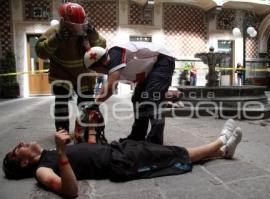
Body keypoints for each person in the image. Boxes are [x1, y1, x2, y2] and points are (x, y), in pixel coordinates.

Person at [3, 119, 242, 198]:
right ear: (24, 162)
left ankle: (222, 153)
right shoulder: (41, 170)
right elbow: (70, 191)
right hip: (120, 162)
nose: (21, 143)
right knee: (173, 154)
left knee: (166, 154)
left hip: (118, 148)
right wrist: (63, 152)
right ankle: (220, 141)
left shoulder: (49, 154)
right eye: (17, 149)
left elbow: (86, 156)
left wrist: (90, 131)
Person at [84, 42, 176, 144]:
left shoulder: (114, 54)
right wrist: (97, 102)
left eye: (96, 69)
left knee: (153, 100)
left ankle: (155, 141)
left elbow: (110, 86)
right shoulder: (113, 62)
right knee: (138, 99)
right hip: (150, 68)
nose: (97, 72)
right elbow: (111, 87)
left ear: (100, 62)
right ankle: (137, 136)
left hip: (162, 60)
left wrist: (95, 103)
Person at [35, 2, 106, 135]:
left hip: (84, 75)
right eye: (74, 25)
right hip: (61, 74)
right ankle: (63, 134)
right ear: (65, 20)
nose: (77, 28)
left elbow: (101, 46)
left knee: (87, 105)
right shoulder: (55, 31)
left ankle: (88, 132)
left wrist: (93, 34)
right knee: (61, 106)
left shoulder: (87, 29)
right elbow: (41, 52)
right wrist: (56, 40)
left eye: (81, 23)